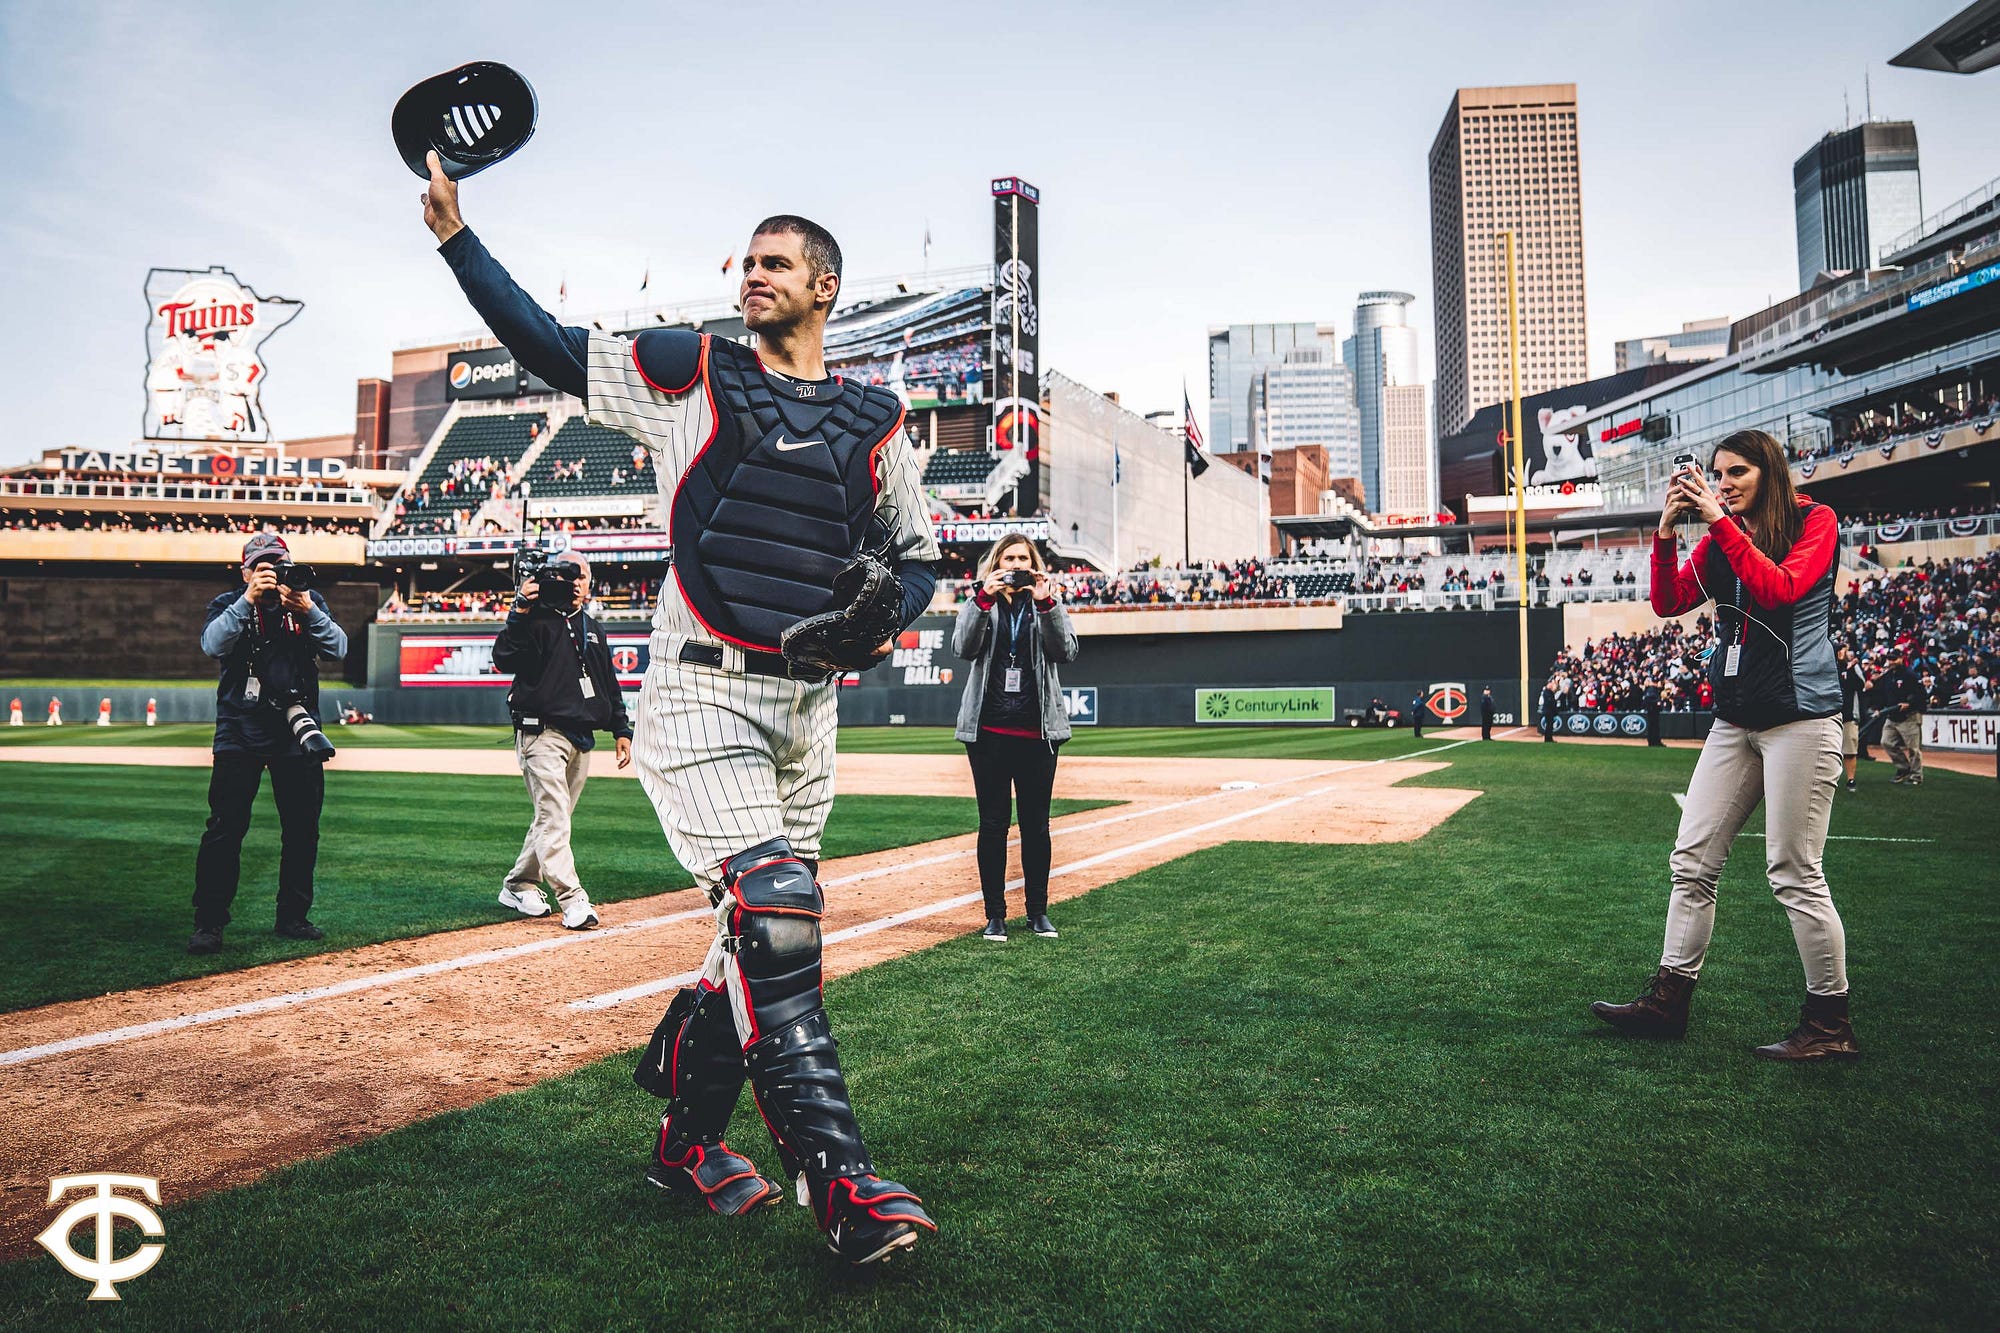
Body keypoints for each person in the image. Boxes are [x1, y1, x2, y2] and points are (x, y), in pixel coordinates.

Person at [422, 153, 940, 1262]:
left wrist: (883, 610)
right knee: (775, 911)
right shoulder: (692, 372)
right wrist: (458, 240)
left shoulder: (877, 419)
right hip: (699, 686)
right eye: (744, 260)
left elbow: (917, 558)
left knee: (739, 947)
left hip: (808, 709)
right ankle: (842, 1183)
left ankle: (686, 1143)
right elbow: (550, 347)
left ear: (823, 287)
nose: (750, 274)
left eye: (775, 262)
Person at [1591, 429, 1858, 1061]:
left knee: (1794, 871)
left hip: (1800, 717)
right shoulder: (1717, 537)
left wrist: (1715, 520)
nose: (1724, 482)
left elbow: (1782, 589)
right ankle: (1669, 1000)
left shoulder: (1814, 520)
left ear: (1769, 472)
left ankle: (1829, 1023)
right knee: (1692, 861)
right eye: (1717, 473)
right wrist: (1664, 533)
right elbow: (1667, 602)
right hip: (1736, 720)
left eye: (1737, 472)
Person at [188, 534, 348, 955]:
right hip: (239, 729)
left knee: (301, 831)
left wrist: (310, 611)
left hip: (296, 732)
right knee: (225, 829)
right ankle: (209, 923)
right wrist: (247, 601)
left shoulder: (306, 602)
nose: (273, 573)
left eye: (279, 564)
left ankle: (293, 917)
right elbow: (211, 644)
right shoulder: (229, 604)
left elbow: (338, 648)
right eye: (263, 566)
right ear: (245, 572)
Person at [492, 550, 633, 930]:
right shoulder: (535, 619)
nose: (576, 581)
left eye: (582, 574)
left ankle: (518, 884)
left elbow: (608, 682)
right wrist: (519, 609)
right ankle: (573, 899)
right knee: (554, 817)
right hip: (541, 734)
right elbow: (504, 658)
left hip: (581, 736)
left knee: (553, 818)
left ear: (589, 582)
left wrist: (621, 729)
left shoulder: (592, 626)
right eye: (568, 573)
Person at [953, 533, 1079, 942]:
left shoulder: (1046, 602)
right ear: (995, 563)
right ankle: (995, 915)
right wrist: (982, 599)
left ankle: (1038, 912)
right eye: (1009, 558)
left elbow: (1065, 651)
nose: (1017, 565)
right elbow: (962, 647)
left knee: (1036, 826)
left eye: (1023, 558)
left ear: (1034, 564)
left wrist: (1046, 602)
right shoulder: (981, 602)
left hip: (1037, 733)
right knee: (992, 826)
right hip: (988, 732)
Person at [1879, 650, 1928, 787]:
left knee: (1913, 748)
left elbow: (1921, 695)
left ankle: (1916, 776)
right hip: (1892, 716)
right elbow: (1882, 694)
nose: (1891, 661)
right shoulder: (1888, 676)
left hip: (1909, 716)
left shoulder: (1910, 675)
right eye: (1889, 659)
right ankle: (1903, 768)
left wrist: (1909, 703)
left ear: (1901, 658)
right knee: (1886, 742)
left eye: (1894, 659)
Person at [1836, 645, 1867, 792]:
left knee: (1849, 749)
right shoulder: (1829, 667)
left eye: (1844, 650)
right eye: (1840, 650)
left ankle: (1851, 779)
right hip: (1830, 714)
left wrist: (1851, 668)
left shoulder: (1853, 668)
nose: (1843, 652)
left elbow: (1861, 685)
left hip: (1848, 715)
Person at [1643, 675, 1664, 747]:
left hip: (1653, 710)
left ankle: (1654, 741)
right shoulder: (1652, 689)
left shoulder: (1653, 689)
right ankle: (1654, 742)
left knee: (1653, 726)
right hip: (1652, 710)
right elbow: (1648, 700)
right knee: (1653, 726)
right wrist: (1657, 702)